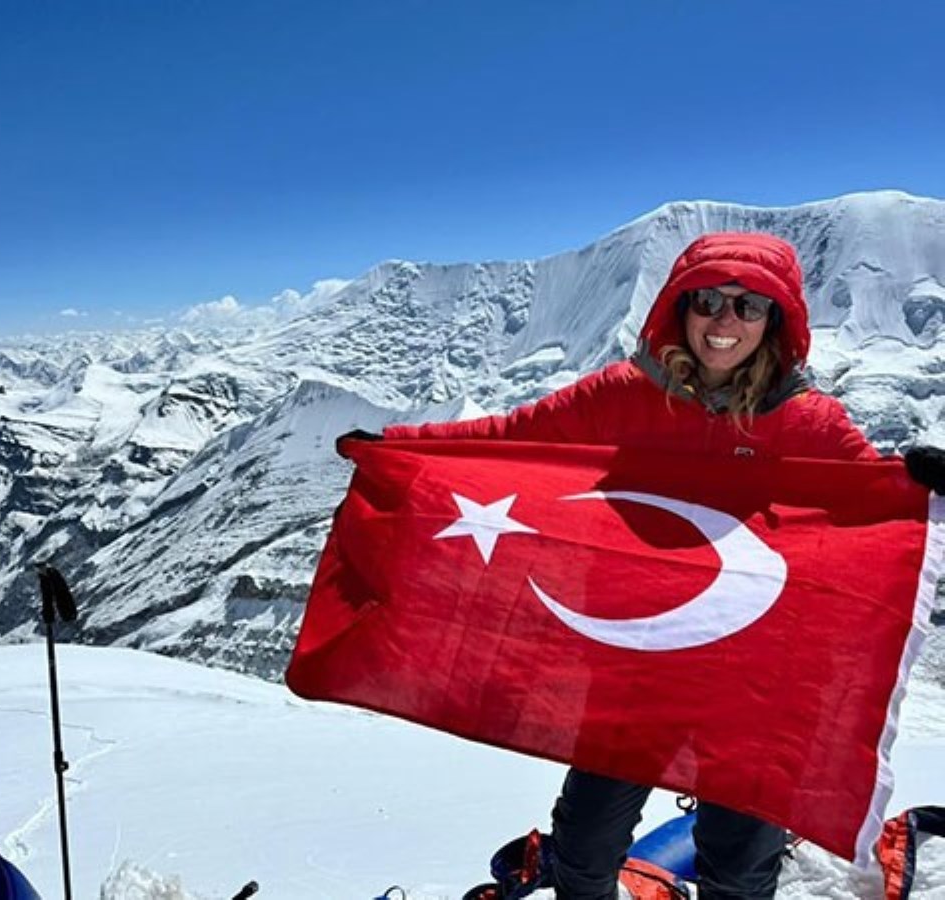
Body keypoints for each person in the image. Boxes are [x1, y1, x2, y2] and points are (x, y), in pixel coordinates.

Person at [358, 232, 945, 900]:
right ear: (679, 306)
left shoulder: (808, 423)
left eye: (749, 306)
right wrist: (398, 447)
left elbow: (867, 504)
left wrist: (917, 482)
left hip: (752, 685)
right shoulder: (621, 396)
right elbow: (510, 437)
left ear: (775, 320)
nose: (725, 322)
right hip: (635, 666)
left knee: (740, 874)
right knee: (581, 854)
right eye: (708, 301)